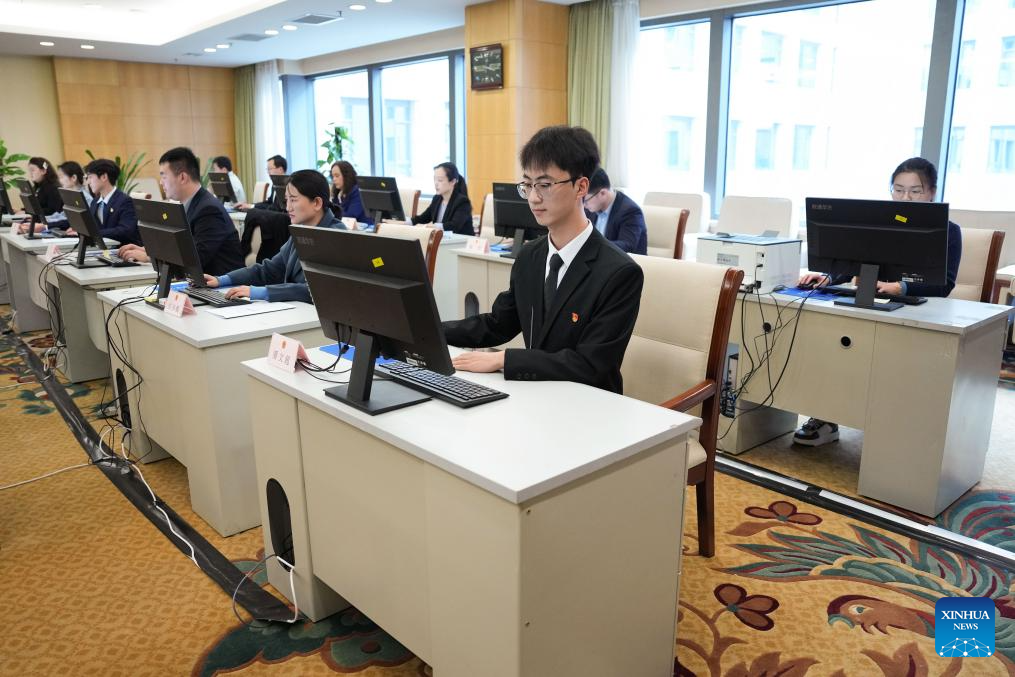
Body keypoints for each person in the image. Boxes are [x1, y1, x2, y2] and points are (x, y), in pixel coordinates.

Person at [442, 125, 644, 394]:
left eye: (545, 185)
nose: (534, 198)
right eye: (528, 185)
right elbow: (499, 324)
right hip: (536, 395)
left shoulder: (619, 272)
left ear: (581, 186)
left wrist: (503, 359)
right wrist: (429, 330)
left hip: (590, 404)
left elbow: (591, 365)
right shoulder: (530, 255)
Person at [794, 156, 963, 447]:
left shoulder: (949, 232)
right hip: (875, 308)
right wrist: (828, 277)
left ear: (931, 192)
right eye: (899, 190)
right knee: (827, 340)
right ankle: (826, 416)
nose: (905, 198)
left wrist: (901, 286)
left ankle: (893, 425)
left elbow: (944, 284)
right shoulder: (878, 223)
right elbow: (853, 263)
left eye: (915, 191)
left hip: (917, 314)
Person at [201, 170, 343, 303]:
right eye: (287, 200)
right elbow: (269, 269)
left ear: (317, 203)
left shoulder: (336, 236)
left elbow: (317, 289)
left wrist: (261, 292)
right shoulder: (302, 231)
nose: (288, 208)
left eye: (293, 200)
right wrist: (222, 280)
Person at [117, 147, 243, 275]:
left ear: (182, 177)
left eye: (164, 176)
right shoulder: (191, 204)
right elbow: (179, 249)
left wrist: (149, 257)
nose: (161, 182)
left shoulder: (209, 210)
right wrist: (147, 250)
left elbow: (196, 259)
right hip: (200, 281)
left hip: (223, 284)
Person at [237, 155, 291, 262]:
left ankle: (244, 249)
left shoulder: (289, 185)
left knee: (255, 213)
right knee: (253, 212)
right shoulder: (275, 184)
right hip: (274, 214)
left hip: (283, 218)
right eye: (267, 169)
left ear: (280, 169)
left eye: (270, 169)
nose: (268, 172)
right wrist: (251, 205)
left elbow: (277, 207)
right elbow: (270, 202)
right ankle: (243, 248)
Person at [582, 167, 648, 255]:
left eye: (585, 200)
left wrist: (593, 245)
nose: (584, 205)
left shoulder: (630, 211)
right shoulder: (591, 208)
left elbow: (627, 246)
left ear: (603, 193)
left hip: (624, 261)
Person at [77, 158, 141, 245]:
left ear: (104, 177)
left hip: (123, 249)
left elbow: (125, 230)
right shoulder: (95, 202)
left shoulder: (125, 201)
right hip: (103, 248)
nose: (88, 182)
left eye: (90, 177)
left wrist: (94, 233)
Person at [412, 162, 474, 235]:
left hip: (461, 240)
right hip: (443, 239)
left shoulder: (463, 202)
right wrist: (409, 221)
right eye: (435, 179)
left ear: (453, 181)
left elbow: (454, 226)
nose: (436, 183)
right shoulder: (437, 198)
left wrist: (434, 227)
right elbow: (424, 217)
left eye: (440, 180)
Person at [330, 160, 371, 225]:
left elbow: (350, 216)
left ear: (346, 176)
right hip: (347, 228)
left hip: (364, 228)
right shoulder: (338, 193)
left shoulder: (357, 191)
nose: (334, 179)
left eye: (337, 176)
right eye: (333, 176)